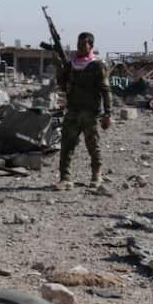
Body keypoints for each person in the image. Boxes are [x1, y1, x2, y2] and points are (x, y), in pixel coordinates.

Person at [54, 32, 112, 190]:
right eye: (78, 44)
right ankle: (65, 178)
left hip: (90, 112)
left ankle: (96, 175)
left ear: (90, 46)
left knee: (92, 145)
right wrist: (59, 68)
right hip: (73, 110)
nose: (79, 47)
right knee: (67, 145)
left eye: (83, 45)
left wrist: (108, 114)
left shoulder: (97, 65)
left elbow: (106, 91)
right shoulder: (71, 64)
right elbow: (62, 84)